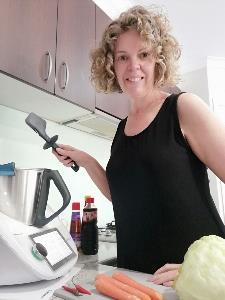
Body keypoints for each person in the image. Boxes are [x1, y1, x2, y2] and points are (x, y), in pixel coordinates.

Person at [53, 5, 225, 287]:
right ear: (111, 65)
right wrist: (86, 161)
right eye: (123, 57)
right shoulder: (121, 129)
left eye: (143, 54)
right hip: (137, 282)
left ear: (158, 58)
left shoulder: (182, 108)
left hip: (196, 285)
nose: (133, 66)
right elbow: (123, 197)